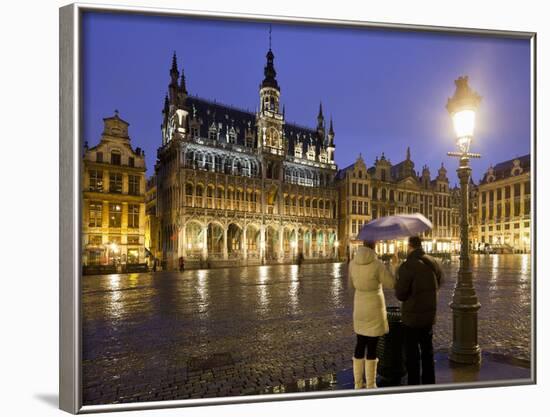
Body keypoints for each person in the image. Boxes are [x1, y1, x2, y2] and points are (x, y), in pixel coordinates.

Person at [349, 241, 397, 389]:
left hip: (359, 306)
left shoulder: (352, 264)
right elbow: (391, 283)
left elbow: (351, 286)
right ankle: (370, 384)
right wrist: (394, 266)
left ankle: (358, 383)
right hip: (374, 308)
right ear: (374, 246)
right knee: (372, 345)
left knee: (360, 343)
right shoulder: (377, 265)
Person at [395, 236, 443, 385]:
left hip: (411, 318)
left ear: (409, 246)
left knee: (412, 355)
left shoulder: (407, 265)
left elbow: (400, 294)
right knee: (427, 352)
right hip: (429, 315)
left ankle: (414, 385)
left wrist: (396, 269)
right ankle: (430, 382)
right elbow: (439, 281)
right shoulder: (433, 262)